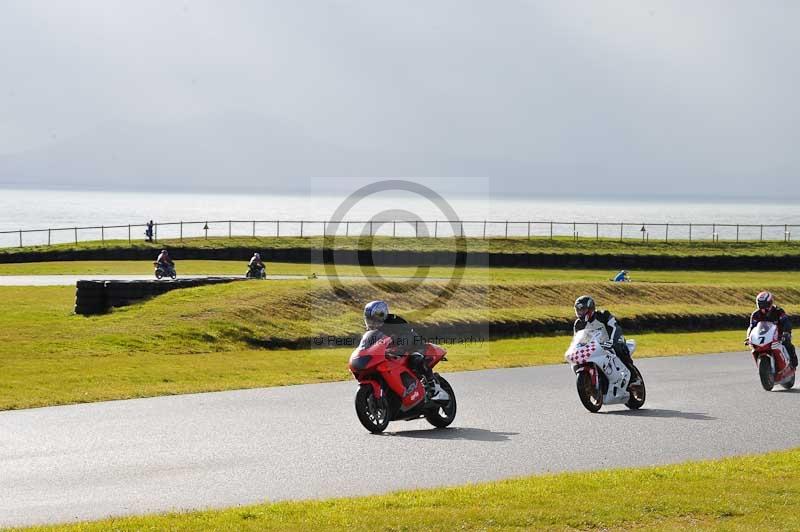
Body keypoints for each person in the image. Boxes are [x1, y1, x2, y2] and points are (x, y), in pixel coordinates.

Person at [360, 300, 448, 401]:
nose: (371, 323)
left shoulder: (394, 322)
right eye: (369, 321)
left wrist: (400, 348)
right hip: (392, 353)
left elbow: (407, 336)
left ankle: (434, 388)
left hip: (413, 346)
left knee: (415, 359)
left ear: (382, 316)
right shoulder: (372, 333)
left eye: (374, 321)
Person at [573, 295, 640, 384]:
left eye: (583, 310)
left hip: (612, 340)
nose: (580, 312)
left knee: (619, 349)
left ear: (590, 308)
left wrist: (612, 341)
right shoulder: (578, 324)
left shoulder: (603, 315)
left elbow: (615, 327)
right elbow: (577, 340)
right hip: (596, 347)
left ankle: (634, 376)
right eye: (578, 310)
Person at [747, 291, 797, 369]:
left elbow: (786, 322)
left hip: (780, 335)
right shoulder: (755, 314)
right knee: (755, 348)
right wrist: (748, 337)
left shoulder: (779, 311)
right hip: (764, 337)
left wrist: (786, 332)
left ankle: (793, 364)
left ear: (770, 303)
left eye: (765, 305)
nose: (763, 308)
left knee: (787, 344)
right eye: (760, 305)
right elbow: (752, 327)